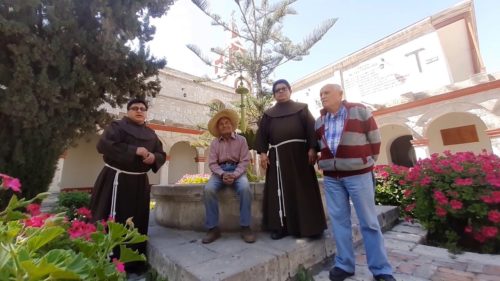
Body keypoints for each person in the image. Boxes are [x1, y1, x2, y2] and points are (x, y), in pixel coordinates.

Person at [315, 84, 396, 281]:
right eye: (321, 94)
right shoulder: (319, 121)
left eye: (326, 93)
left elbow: (374, 138)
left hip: (358, 174)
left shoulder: (359, 111)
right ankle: (344, 265)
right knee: (339, 222)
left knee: (369, 221)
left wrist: (366, 161)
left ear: (340, 94)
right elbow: (318, 145)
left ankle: (381, 270)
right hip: (332, 177)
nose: (322, 97)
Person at [90, 98, 166, 274]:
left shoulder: (151, 134)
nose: (139, 111)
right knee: (111, 219)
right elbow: (103, 145)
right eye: (135, 108)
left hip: (139, 182)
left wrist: (154, 158)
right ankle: (108, 261)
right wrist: (134, 150)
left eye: (143, 109)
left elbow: (161, 153)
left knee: (137, 222)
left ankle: (133, 263)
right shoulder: (116, 127)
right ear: (128, 111)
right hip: (115, 180)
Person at [255, 79, 326, 240]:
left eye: (283, 88)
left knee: (304, 191)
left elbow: (311, 129)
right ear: (274, 94)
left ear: (290, 90)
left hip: (301, 156)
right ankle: (280, 227)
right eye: (277, 90)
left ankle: (311, 228)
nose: (281, 91)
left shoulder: (302, 109)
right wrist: (263, 153)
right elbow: (262, 136)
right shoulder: (268, 114)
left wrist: (313, 148)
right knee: (278, 193)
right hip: (278, 157)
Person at [202, 108, 256, 244]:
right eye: (221, 124)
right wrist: (222, 173)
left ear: (232, 125)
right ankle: (213, 228)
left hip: (237, 169)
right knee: (208, 190)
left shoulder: (242, 140)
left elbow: (245, 160)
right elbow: (212, 163)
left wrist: (236, 174)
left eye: (227, 122)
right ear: (218, 128)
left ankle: (245, 227)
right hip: (219, 171)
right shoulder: (214, 143)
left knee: (245, 189)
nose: (225, 125)